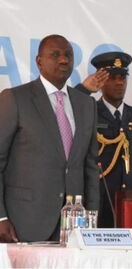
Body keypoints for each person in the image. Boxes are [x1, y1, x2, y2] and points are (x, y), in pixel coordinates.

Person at [0, 34, 100, 242]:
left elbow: (90, 165)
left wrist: (92, 215)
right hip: (23, 222)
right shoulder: (15, 98)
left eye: (68, 55)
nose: (64, 60)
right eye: (55, 55)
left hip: (75, 226)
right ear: (39, 62)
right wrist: (1, 216)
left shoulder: (86, 104)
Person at [76, 52, 132, 228]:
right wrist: (84, 89)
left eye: (123, 77)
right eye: (113, 78)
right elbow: (68, 106)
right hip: (99, 199)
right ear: (101, 82)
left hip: (130, 200)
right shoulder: (90, 110)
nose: (119, 82)